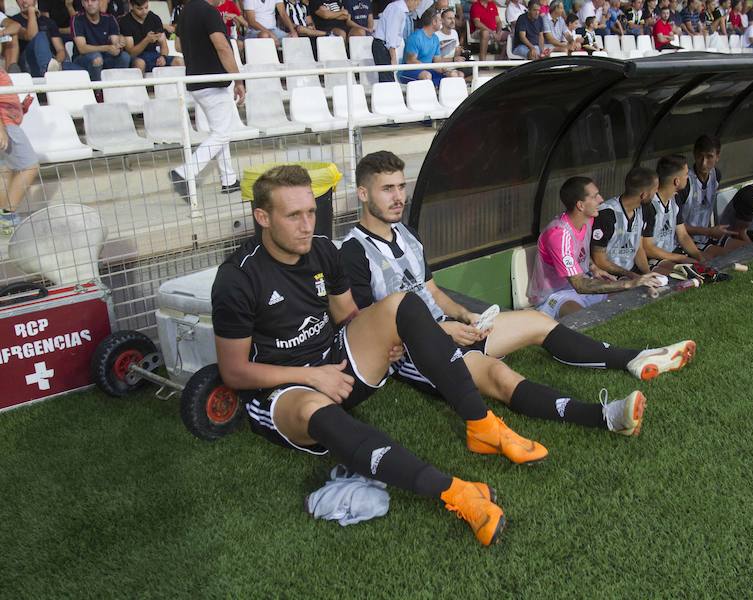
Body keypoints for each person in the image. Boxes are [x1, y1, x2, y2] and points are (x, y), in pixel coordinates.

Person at [212, 166, 545, 547]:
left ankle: (481, 425)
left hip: (334, 365)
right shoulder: (237, 279)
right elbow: (234, 372)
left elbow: (348, 316)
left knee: (401, 304)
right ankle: (457, 493)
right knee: (312, 412)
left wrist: (387, 335)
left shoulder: (322, 250)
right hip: (287, 389)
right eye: (293, 216)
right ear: (263, 218)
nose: (307, 225)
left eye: (311, 212)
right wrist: (312, 377)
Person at [340, 152, 696, 437]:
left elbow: (432, 289)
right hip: (417, 352)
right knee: (497, 375)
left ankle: (635, 357)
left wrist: (465, 316)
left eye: (401, 186)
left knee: (538, 321)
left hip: (450, 327)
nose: (398, 197)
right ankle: (604, 416)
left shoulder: (407, 234)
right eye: (387, 189)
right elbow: (376, 325)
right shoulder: (353, 252)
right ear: (362, 194)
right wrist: (442, 331)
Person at [530, 175, 662, 318]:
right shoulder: (559, 235)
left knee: (634, 300)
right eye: (595, 196)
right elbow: (580, 285)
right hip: (557, 295)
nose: (601, 199)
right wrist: (629, 283)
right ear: (580, 205)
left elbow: (580, 252)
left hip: (584, 284)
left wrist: (593, 267)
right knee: (587, 321)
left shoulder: (588, 220)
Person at [170, 0, 244, 198]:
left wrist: (198, 50)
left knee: (220, 131)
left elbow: (178, 44)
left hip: (196, 80)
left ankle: (229, 180)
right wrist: (238, 80)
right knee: (222, 133)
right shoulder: (209, 12)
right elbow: (223, 47)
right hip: (212, 81)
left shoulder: (186, 11)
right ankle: (185, 172)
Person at [676, 134, 744, 255]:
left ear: (718, 156)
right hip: (688, 241)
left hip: (707, 235)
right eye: (700, 156)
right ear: (694, 154)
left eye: (709, 157)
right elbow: (677, 227)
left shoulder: (716, 174)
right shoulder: (685, 183)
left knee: (746, 249)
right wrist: (708, 231)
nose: (703, 163)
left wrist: (711, 232)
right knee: (725, 256)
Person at [591, 167, 658, 279]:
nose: (656, 192)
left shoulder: (645, 210)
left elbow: (638, 248)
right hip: (606, 276)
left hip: (629, 273)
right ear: (644, 195)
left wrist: (648, 275)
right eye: (655, 189)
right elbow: (599, 260)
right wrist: (632, 276)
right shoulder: (606, 214)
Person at [641, 155, 705, 270]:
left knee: (707, 263)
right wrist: (680, 258)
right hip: (653, 259)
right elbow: (648, 248)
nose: (688, 177)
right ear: (677, 181)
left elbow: (683, 235)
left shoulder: (675, 199)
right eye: (686, 174)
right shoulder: (649, 205)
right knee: (688, 273)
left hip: (672, 253)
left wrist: (700, 258)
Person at [0, 67, 38, 232]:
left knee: (8, 170)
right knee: (30, 166)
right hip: (4, 123)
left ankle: (3, 216)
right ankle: (7, 217)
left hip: (7, 122)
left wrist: (20, 108)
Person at [13, 0, 82, 77]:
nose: (24, 1)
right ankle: (47, 71)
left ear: (35, 1)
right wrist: (31, 13)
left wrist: (55, 63)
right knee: (40, 36)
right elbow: (32, 36)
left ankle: (50, 69)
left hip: (52, 60)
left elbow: (60, 50)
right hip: (29, 62)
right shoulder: (13, 21)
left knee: (81, 72)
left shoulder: (48, 21)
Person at [70, 0, 131, 81]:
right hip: (83, 59)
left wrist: (118, 45)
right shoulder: (77, 19)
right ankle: (97, 91)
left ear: (99, 2)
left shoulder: (109, 18)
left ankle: (116, 88)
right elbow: (82, 48)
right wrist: (107, 48)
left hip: (106, 57)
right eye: (86, 1)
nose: (90, 3)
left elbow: (115, 41)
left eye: (93, 0)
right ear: (82, 3)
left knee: (125, 57)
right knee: (96, 58)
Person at [400, 7, 462, 84]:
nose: (441, 22)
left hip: (428, 70)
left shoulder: (435, 38)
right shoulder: (415, 37)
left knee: (453, 75)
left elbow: (437, 60)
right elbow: (411, 61)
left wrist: (444, 70)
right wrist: (430, 67)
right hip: (410, 71)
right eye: (440, 20)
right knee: (427, 75)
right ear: (434, 22)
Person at [119, 0, 184, 72]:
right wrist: (146, 40)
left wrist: (163, 57)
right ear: (131, 6)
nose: (144, 11)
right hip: (138, 57)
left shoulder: (154, 18)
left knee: (179, 61)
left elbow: (164, 44)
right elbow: (131, 53)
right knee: (140, 63)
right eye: (139, 9)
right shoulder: (125, 22)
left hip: (154, 55)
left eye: (146, 7)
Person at [373, 0, 418, 82]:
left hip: (383, 45)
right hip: (382, 46)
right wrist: (393, 58)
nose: (417, 5)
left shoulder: (398, 8)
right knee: (387, 79)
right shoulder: (398, 9)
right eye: (418, 2)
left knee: (387, 78)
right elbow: (391, 35)